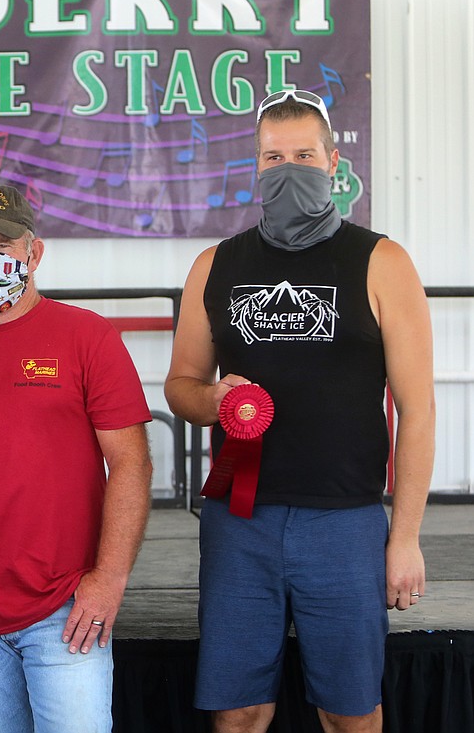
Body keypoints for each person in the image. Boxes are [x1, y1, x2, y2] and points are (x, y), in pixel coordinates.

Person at [165, 89, 434, 733]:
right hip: (240, 520)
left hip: (346, 523)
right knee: (238, 713)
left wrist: (406, 537)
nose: (289, 167)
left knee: (350, 715)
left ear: (333, 162)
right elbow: (180, 385)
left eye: (304, 154)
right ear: (257, 167)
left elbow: (418, 410)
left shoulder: (382, 261)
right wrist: (216, 401)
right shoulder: (215, 264)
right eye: (273, 156)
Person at [0, 181, 154, 733]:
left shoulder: (87, 337)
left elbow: (132, 465)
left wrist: (108, 579)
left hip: (65, 607)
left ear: (33, 252)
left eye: (3, 243)